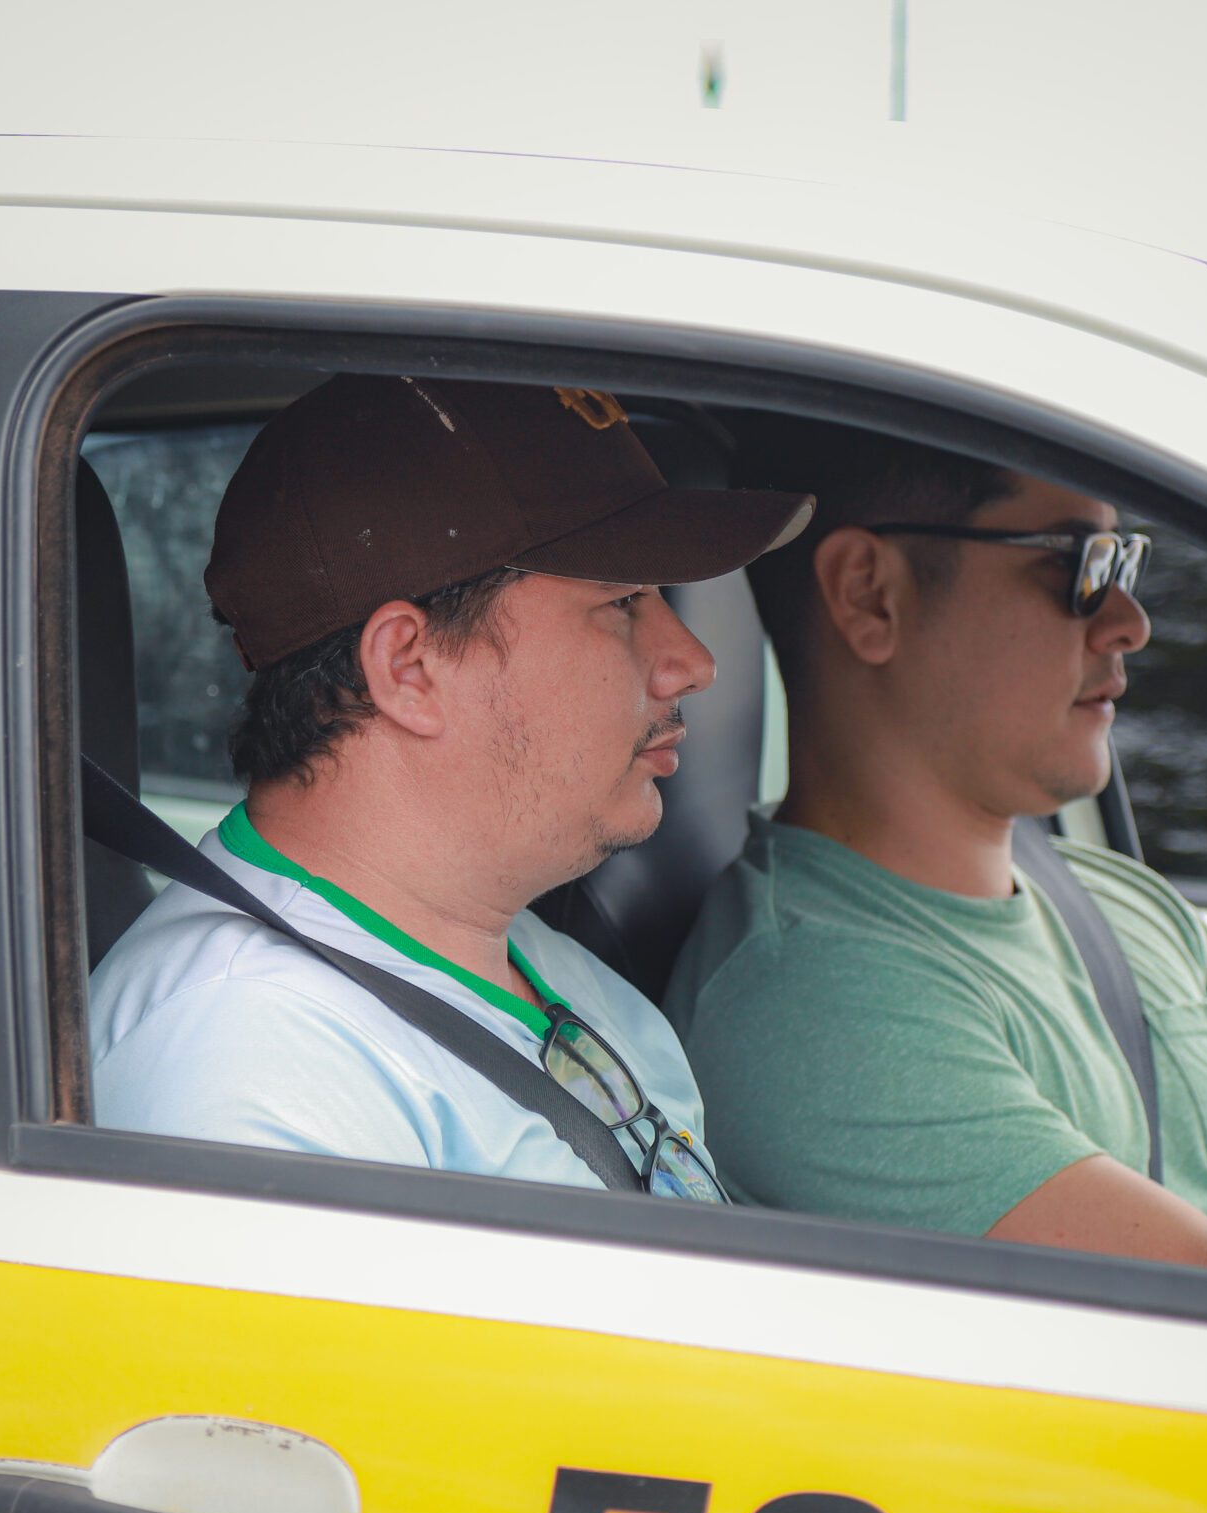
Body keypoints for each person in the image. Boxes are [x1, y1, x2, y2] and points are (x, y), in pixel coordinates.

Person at [662, 418, 1207, 1284]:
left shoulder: (1127, 905)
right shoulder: (807, 1013)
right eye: (1078, 565)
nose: (1129, 622)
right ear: (869, 595)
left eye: (1123, 563)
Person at [89, 374, 810, 1195]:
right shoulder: (249, 1065)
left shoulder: (541, 966)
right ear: (410, 666)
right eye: (622, 602)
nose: (694, 662)